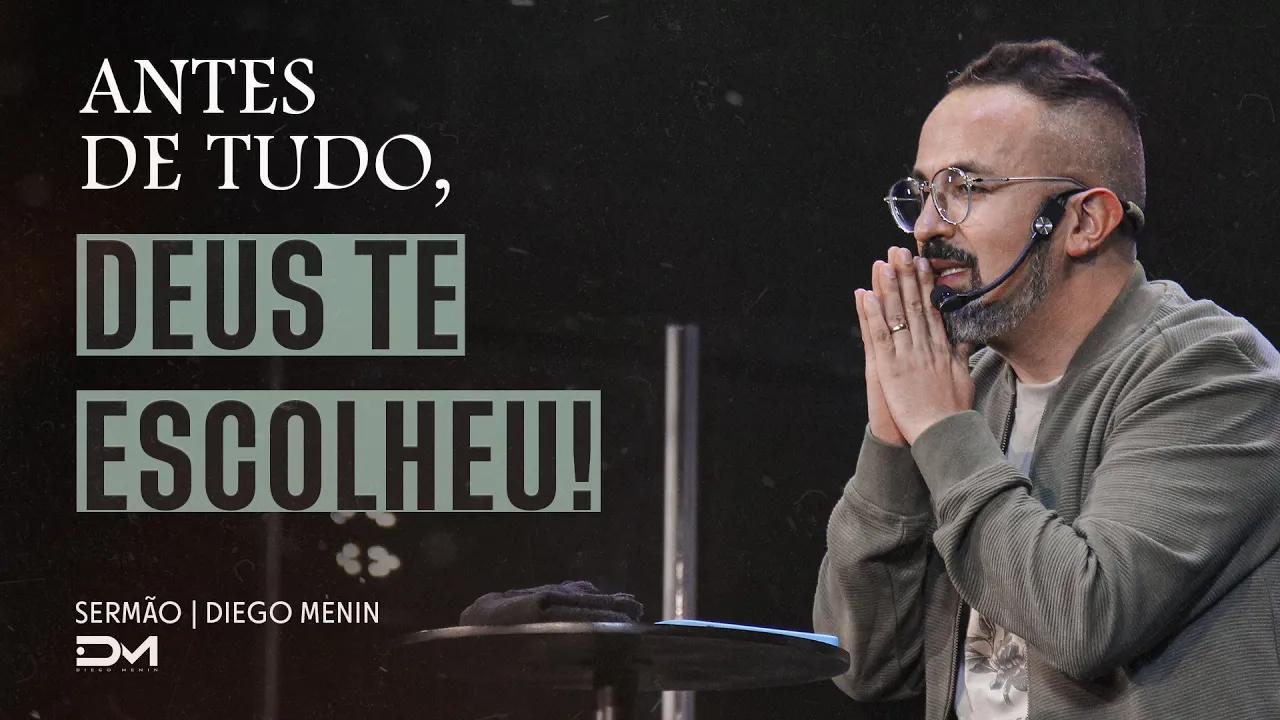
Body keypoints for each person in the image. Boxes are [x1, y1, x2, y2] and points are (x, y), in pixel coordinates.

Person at [813, 38, 1280, 720]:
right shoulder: (969, 385)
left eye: (965, 188)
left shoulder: (1211, 371)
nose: (928, 226)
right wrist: (892, 438)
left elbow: (1085, 621)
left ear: (1085, 221)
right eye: (923, 192)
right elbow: (863, 662)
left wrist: (940, 428)